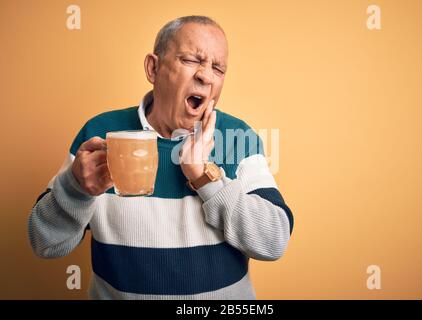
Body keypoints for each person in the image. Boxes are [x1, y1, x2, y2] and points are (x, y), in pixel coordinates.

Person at [28, 15, 294, 299]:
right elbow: (45, 243)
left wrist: (205, 179)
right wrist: (76, 188)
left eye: (218, 68)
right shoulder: (100, 133)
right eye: (192, 60)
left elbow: (273, 241)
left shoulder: (237, 137)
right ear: (153, 68)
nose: (206, 76)